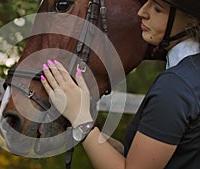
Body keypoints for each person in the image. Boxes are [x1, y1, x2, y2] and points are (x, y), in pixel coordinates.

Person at [40, 0, 200, 168]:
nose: (142, 12)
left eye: (157, 9)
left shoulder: (174, 88)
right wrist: (81, 121)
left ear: (192, 21)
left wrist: (81, 120)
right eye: (146, 3)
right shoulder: (190, 76)